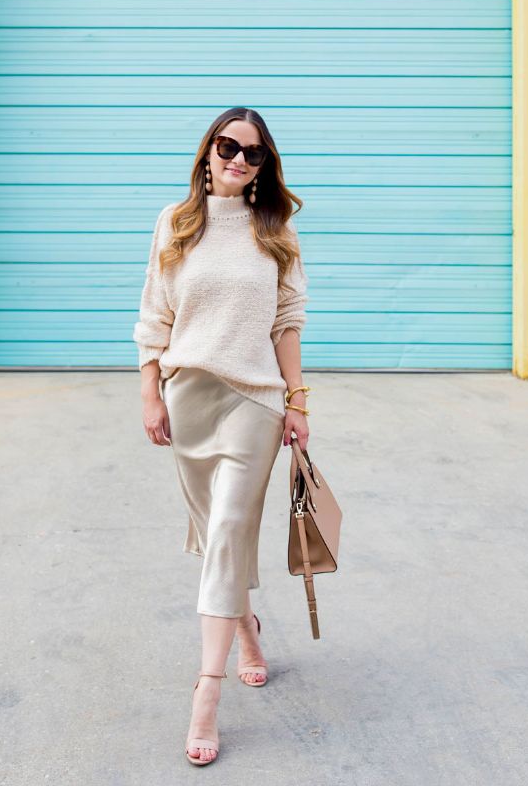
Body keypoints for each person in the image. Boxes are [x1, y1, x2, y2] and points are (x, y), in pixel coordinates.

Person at [133, 107, 310, 767]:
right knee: (216, 538)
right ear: (206, 151)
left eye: (252, 154)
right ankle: (246, 635)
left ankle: (206, 692)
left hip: (254, 401)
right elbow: (155, 312)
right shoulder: (175, 222)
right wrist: (150, 391)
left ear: (265, 167)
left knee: (231, 525)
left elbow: (287, 320)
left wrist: (296, 401)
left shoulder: (276, 231)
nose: (236, 159)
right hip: (189, 397)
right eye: (226, 146)